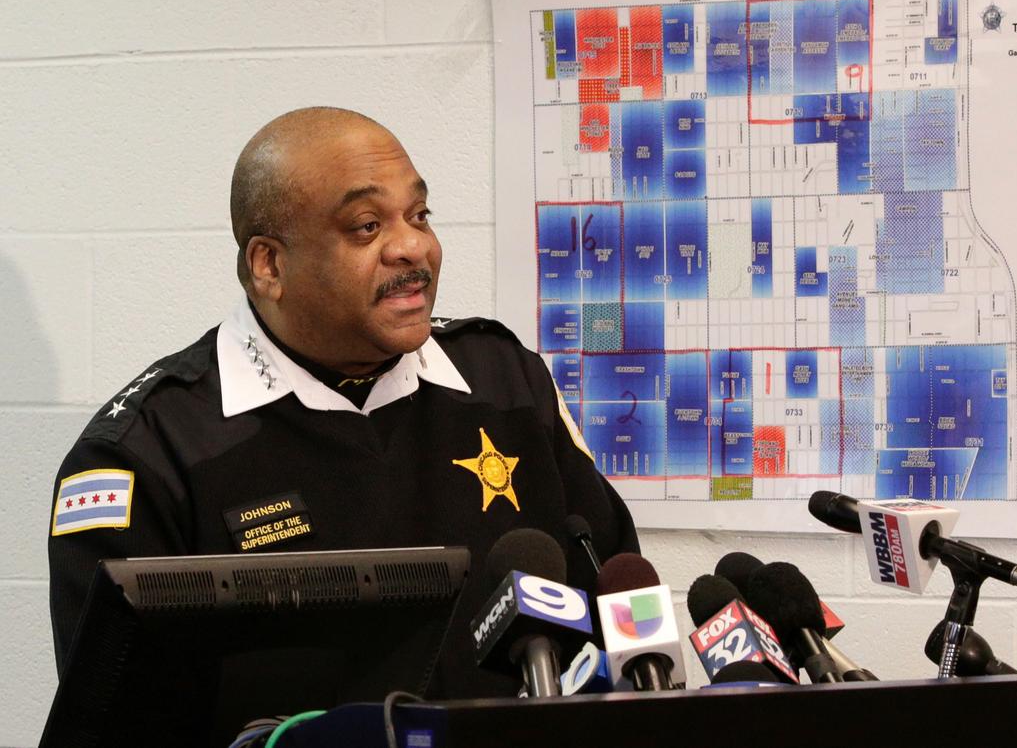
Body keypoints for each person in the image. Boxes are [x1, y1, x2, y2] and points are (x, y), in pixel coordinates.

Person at [47, 107, 639, 700]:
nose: (414, 248)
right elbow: (115, 719)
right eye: (366, 227)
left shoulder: (504, 380)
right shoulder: (147, 454)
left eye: (419, 215)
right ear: (269, 265)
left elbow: (617, 597)